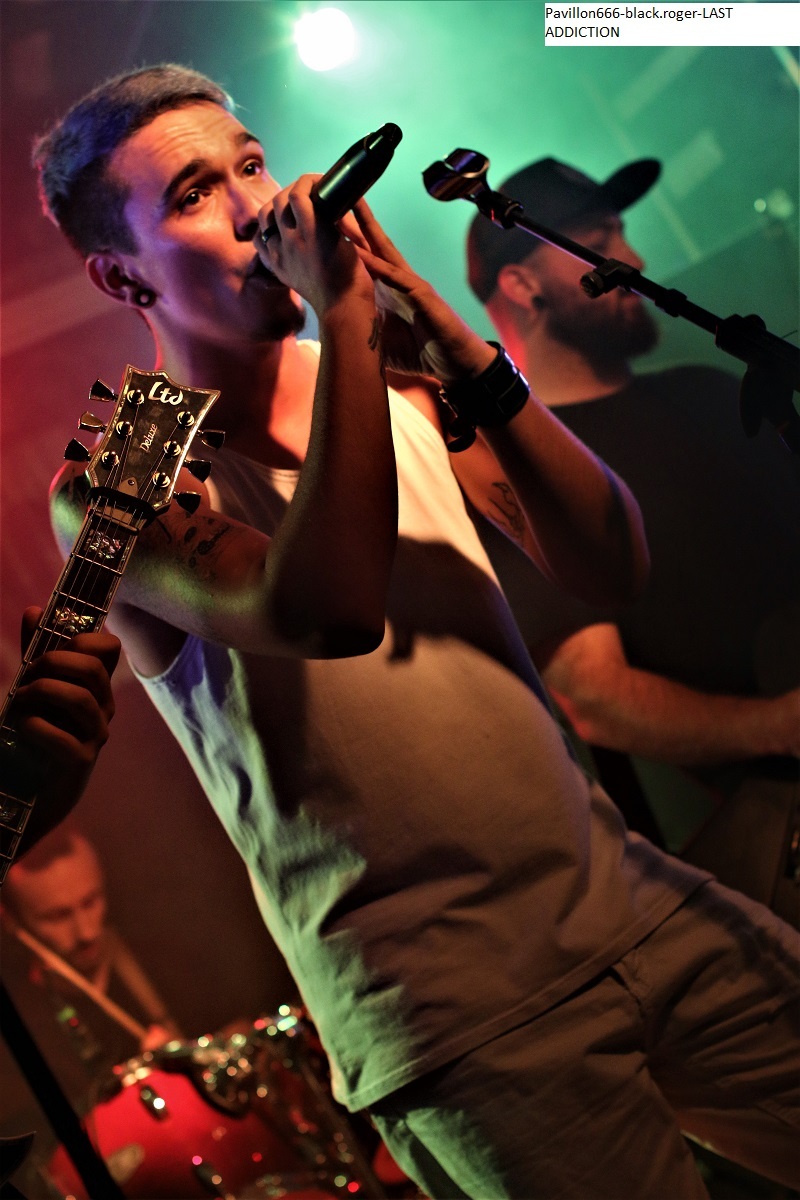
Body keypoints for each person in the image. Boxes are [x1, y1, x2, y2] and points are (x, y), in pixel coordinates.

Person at [32, 65, 799, 1198]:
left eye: (252, 164)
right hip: (460, 1014)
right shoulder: (123, 475)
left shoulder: (390, 374)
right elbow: (326, 608)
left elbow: (609, 566)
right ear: (121, 272)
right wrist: (346, 322)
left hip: (631, 897)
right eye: (195, 195)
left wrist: (447, 339)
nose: (255, 206)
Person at [466, 157, 800, 922]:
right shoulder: (521, 475)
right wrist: (781, 727)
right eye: (600, 240)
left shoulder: (711, 393)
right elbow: (596, 697)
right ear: (521, 285)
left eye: (623, 233)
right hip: (760, 830)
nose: (637, 260)